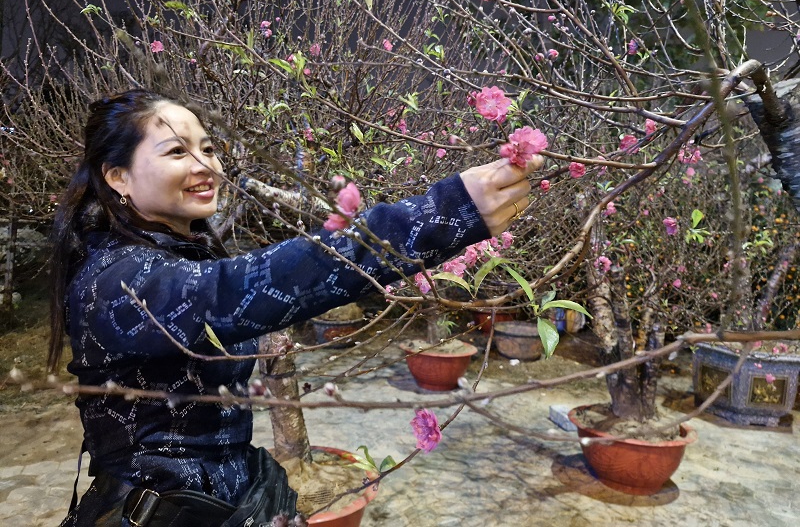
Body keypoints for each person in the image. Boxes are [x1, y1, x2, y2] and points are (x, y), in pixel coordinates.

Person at [50, 89, 542, 526]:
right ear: (117, 177)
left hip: (225, 504)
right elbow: (242, 286)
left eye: (208, 148)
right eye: (177, 151)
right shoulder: (116, 281)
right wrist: (443, 212)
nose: (205, 166)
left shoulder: (176, 254)